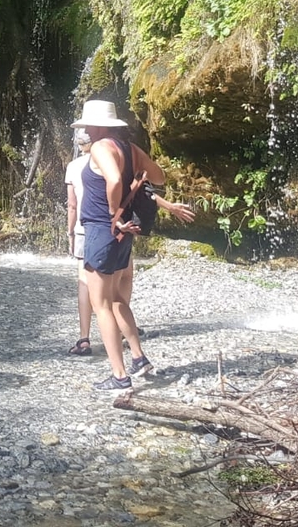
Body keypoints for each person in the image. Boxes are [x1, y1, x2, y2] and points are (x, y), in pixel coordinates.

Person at [73, 99, 194, 391]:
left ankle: (119, 375)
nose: (87, 129)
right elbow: (158, 176)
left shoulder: (102, 147)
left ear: (99, 126)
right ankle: (139, 359)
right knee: (116, 299)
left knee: (101, 304)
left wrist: (113, 213)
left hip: (104, 229)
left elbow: (114, 179)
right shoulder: (130, 149)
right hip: (123, 232)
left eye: (89, 124)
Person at [65, 129, 94, 356]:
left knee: (84, 283)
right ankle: (122, 331)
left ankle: (84, 338)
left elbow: (72, 205)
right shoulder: (110, 161)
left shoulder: (73, 166)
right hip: (110, 228)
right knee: (111, 283)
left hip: (83, 229)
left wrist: (69, 233)